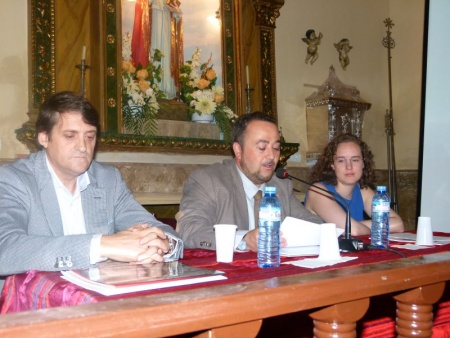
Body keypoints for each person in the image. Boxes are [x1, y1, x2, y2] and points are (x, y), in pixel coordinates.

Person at [0, 91, 183, 291]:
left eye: (90, 136)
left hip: (98, 301)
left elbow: (160, 230)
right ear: (44, 137)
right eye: (70, 136)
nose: (82, 147)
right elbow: (6, 249)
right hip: (32, 307)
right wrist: (101, 245)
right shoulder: (12, 179)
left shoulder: (107, 180)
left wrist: (160, 245)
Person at [176, 112, 323, 252]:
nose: (271, 156)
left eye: (276, 148)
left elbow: (314, 225)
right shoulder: (209, 180)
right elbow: (190, 230)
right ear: (238, 150)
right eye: (262, 147)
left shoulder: (281, 185)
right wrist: (243, 239)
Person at [304, 133, 404, 235]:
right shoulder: (318, 191)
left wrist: (356, 225)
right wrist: (378, 227)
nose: (349, 167)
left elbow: (398, 224)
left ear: (363, 163)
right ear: (332, 165)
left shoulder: (363, 191)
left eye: (355, 160)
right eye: (341, 160)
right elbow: (353, 231)